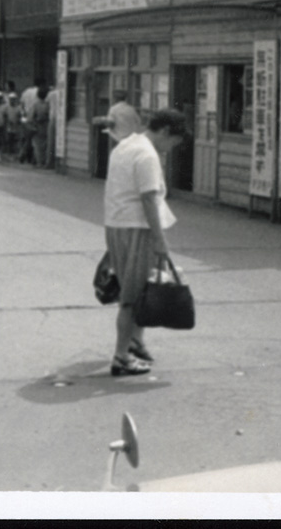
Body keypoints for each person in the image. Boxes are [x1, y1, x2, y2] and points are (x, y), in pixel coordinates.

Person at [103, 109, 191, 377]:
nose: (170, 149)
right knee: (133, 295)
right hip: (138, 228)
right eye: (173, 142)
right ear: (165, 131)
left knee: (137, 288)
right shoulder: (147, 155)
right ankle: (121, 356)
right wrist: (160, 240)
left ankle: (135, 341)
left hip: (117, 224)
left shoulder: (126, 145)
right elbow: (149, 199)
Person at [30, 86, 51, 168]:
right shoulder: (48, 104)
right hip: (47, 126)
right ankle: (45, 161)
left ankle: (39, 162)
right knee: (46, 144)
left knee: (37, 145)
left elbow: (31, 117)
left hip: (37, 126)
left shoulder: (35, 104)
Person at [45, 84, 60, 170]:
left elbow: (47, 105)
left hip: (52, 117)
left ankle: (49, 162)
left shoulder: (51, 94)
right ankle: (57, 162)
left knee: (51, 141)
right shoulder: (61, 93)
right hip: (61, 118)